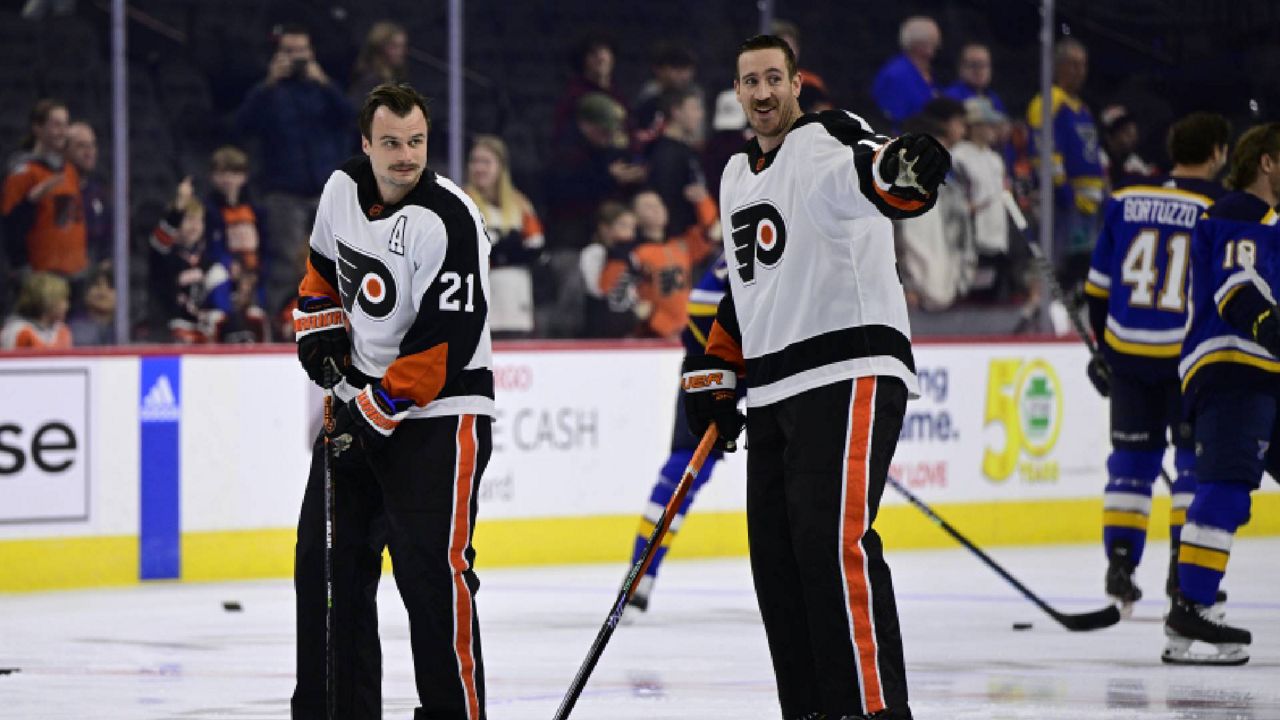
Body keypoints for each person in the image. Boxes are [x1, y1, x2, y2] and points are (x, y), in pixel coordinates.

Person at [681, 34, 948, 719]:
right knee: (778, 561)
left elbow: (871, 173)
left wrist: (902, 172)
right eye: (750, 81)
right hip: (772, 389)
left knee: (832, 546)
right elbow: (747, 291)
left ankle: (873, 710)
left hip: (846, 368)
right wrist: (717, 368)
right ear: (736, 93)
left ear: (796, 83)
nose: (763, 92)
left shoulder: (826, 136)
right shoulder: (736, 176)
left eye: (775, 78)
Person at [290, 82, 494, 718]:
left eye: (416, 142)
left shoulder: (450, 219)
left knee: (431, 577)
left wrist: (372, 413)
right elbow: (322, 271)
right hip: (360, 407)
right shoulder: (340, 190)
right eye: (390, 143)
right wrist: (319, 325)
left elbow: (444, 346)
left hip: (441, 417)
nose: (405, 156)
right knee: (325, 568)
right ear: (366, 145)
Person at [1082, 112, 1231, 614]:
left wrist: (1105, 350)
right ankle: (1180, 574)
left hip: (1127, 354)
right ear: (1216, 152)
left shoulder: (1125, 199)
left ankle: (1120, 565)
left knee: (1130, 466)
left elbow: (1097, 291)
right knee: (1191, 468)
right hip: (1185, 356)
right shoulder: (1219, 208)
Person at [1170, 122, 1280, 666]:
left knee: (1228, 485)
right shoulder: (1241, 211)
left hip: (1264, 370)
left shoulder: (1266, 218)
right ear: (1266, 162)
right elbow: (1236, 285)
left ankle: (1189, 613)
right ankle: (1190, 609)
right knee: (1226, 488)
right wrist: (1268, 323)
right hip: (1235, 365)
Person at [625, 252, 731, 612]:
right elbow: (701, 304)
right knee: (687, 463)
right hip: (715, 361)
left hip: (772, 365)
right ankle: (642, 571)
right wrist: (726, 364)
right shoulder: (764, 229)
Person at [236, 24, 353, 316]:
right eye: (290, 51)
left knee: (335, 260)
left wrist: (324, 82)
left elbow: (351, 118)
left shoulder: (322, 89)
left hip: (324, 188)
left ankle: (338, 322)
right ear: (278, 54)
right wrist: (268, 83)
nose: (297, 57)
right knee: (286, 263)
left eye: (302, 51)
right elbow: (242, 126)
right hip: (284, 190)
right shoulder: (269, 91)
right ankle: (283, 323)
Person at [1026, 38, 1104, 291]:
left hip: (1090, 204)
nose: (1079, 71)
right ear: (1058, 66)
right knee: (1056, 262)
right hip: (1064, 202)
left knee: (1082, 266)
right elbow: (1043, 147)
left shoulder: (1082, 108)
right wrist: (1061, 188)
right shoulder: (1049, 101)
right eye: (1072, 64)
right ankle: (1042, 309)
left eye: (1083, 64)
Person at [464, 135, 545, 337]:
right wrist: (505, 249)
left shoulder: (520, 204)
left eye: (486, 162)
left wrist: (500, 250)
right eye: (475, 161)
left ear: (501, 166)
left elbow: (536, 247)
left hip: (515, 298)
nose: (479, 168)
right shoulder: (461, 201)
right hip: (477, 301)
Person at [1, 98, 87, 282]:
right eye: (56, 125)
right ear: (38, 128)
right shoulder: (23, 172)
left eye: (66, 125)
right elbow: (10, 227)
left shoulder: (69, 170)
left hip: (74, 274)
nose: (63, 132)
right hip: (41, 278)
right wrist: (31, 201)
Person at [148, 179, 233, 343]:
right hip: (165, 332)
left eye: (198, 220)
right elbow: (160, 241)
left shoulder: (208, 262)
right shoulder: (163, 256)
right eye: (188, 219)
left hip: (200, 331)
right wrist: (178, 209)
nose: (194, 225)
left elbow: (220, 305)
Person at [872, 16, 941, 130]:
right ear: (918, 44)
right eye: (932, 42)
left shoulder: (928, 72)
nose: (936, 47)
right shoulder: (896, 74)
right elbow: (894, 114)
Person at [65, 121, 111, 269]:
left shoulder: (100, 194)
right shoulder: (56, 192)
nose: (89, 152)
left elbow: (108, 240)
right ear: (65, 151)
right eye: (81, 146)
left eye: (92, 145)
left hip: (91, 275)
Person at [0, 271, 72, 349]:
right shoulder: (17, 331)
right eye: (62, 300)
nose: (67, 306)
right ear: (48, 301)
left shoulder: (62, 331)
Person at [348, 21, 409, 107]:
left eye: (402, 46)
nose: (401, 52)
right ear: (379, 48)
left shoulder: (394, 79)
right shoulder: (370, 82)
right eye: (394, 46)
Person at [942, 43, 1006, 114]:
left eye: (984, 65)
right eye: (973, 65)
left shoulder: (994, 98)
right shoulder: (950, 97)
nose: (979, 71)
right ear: (961, 69)